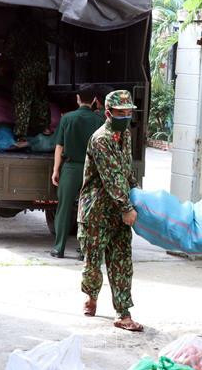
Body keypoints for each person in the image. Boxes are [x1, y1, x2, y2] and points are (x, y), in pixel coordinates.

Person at [77, 90, 143, 332]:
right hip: (96, 211)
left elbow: (125, 170)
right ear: (108, 113)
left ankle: (123, 313)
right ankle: (91, 296)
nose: (126, 116)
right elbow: (112, 177)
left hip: (118, 211)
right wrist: (126, 206)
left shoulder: (123, 135)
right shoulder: (101, 139)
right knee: (93, 262)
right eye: (121, 113)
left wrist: (137, 193)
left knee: (122, 261)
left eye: (129, 112)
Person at [50, 84, 105, 258]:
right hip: (91, 169)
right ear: (95, 100)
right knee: (88, 209)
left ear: (78, 99)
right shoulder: (100, 121)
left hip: (71, 168)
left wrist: (55, 170)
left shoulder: (67, 118)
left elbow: (59, 147)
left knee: (64, 208)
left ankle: (59, 248)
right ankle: (83, 250)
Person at [2, 9, 51, 139]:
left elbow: (7, 52)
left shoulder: (16, 30)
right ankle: (44, 128)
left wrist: (12, 64)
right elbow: (55, 37)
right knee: (41, 97)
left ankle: (21, 134)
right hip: (41, 69)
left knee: (23, 100)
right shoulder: (39, 27)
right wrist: (71, 47)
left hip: (24, 71)